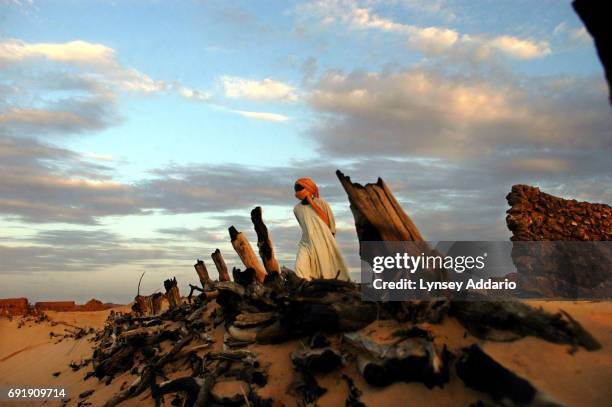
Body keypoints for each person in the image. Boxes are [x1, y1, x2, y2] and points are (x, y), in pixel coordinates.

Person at [293, 177, 350, 281]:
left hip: (323, 241)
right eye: (296, 189)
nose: (297, 191)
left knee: (326, 270)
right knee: (299, 268)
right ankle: (303, 291)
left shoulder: (321, 203)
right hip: (306, 242)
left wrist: (312, 202)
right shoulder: (296, 209)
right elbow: (304, 226)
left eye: (300, 188)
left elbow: (328, 222)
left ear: (309, 188)